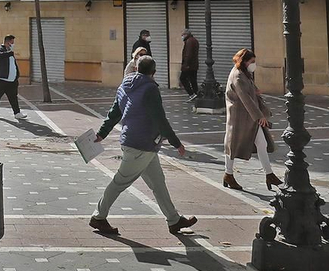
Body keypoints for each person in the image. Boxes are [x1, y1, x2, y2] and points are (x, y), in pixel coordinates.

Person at [89, 56, 197, 237]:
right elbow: (159, 118)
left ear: (136, 68)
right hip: (142, 144)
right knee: (120, 181)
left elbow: (115, 111)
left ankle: (174, 220)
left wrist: (102, 132)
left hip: (137, 142)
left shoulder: (125, 83)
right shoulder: (150, 89)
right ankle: (98, 216)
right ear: (154, 72)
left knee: (158, 183)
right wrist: (175, 142)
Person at [223, 48, 281, 191]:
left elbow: (249, 89)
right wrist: (259, 116)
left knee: (261, 143)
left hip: (248, 117)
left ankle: (269, 174)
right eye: (252, 62)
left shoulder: (244, 73)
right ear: (244, 61)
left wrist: (255, 89)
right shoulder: (237, 76)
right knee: (232, 146)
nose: (254, 64)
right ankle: (228, 174)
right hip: (240, 117)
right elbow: (245, 98)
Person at [0, 34, 25, 120]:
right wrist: (9, 53)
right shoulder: (0, 50)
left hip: (12, 80)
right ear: (7, 42)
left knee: (13, 96)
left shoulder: (10, 52)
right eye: (11, 43)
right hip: (1, 79)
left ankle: (17, 112)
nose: (13, 45)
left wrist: (16, 75)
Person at [179, 30, 200, 98]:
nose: (182, 36)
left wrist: (185, 65)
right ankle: (196, 93)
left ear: (186, 34)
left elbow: (188, 54)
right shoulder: (193, 40)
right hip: (193, 65)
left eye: (182, 35)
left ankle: (191, 94)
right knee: (193, 80)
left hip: (189, 65)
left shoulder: (189, 41)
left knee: (183, 78)